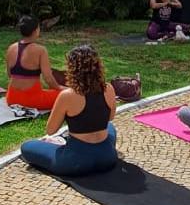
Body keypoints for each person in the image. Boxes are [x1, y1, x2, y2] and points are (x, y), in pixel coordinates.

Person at [19, 45, 118, 177]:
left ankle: (68, 141)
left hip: (75, 162)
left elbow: (51, 130)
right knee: (110, 127)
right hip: (107, 157)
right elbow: (110, 118)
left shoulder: (67, 95)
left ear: (72, 70)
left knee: (27, 147)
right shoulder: (109, 88)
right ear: (98, 67)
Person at [5, 16, 64, 111]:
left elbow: (9, 74)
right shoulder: (40, 50)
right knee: (69, 94)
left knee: (51, 93)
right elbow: (48, 78)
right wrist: (60, 88)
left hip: (11, 98)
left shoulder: (11, 48)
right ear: (36, 30)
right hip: (32, 100)